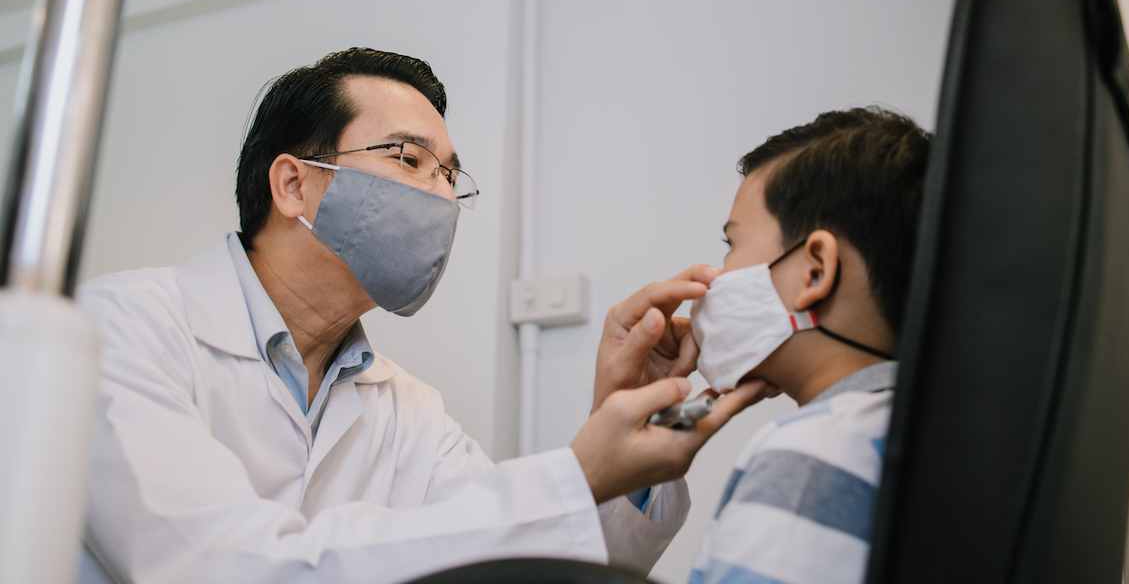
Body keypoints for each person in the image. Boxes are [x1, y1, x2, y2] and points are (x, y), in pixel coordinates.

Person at [77, 48, 766, 584]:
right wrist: (575, 473)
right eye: (411, 158)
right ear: (293, 183)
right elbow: (226, 568)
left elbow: (530, 566)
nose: (441, 196)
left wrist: (629, 423)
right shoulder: (122, 329)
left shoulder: (411, 412)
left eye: (449, 175)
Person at [686, 108, 930, 584]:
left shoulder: (815, 451)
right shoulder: (919, 432)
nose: (714, 276)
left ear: (814, 270)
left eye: (732, 245)